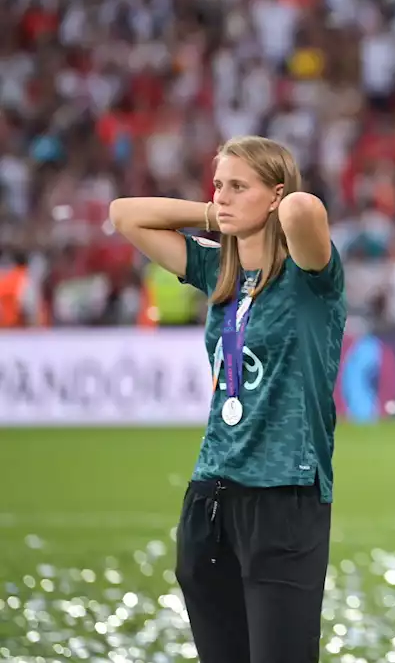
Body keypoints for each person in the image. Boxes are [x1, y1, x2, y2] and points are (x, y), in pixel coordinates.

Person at [108, 135, 346, 663]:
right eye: (218, 185)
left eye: (239, 186)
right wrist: (217, 216)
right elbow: (124, 215)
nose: (222, 195)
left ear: (275, 194)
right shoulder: (219, 269)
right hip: (209, 497)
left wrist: (275, 207)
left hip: (285, 497)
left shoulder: (311, 278)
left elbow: (306, 208)